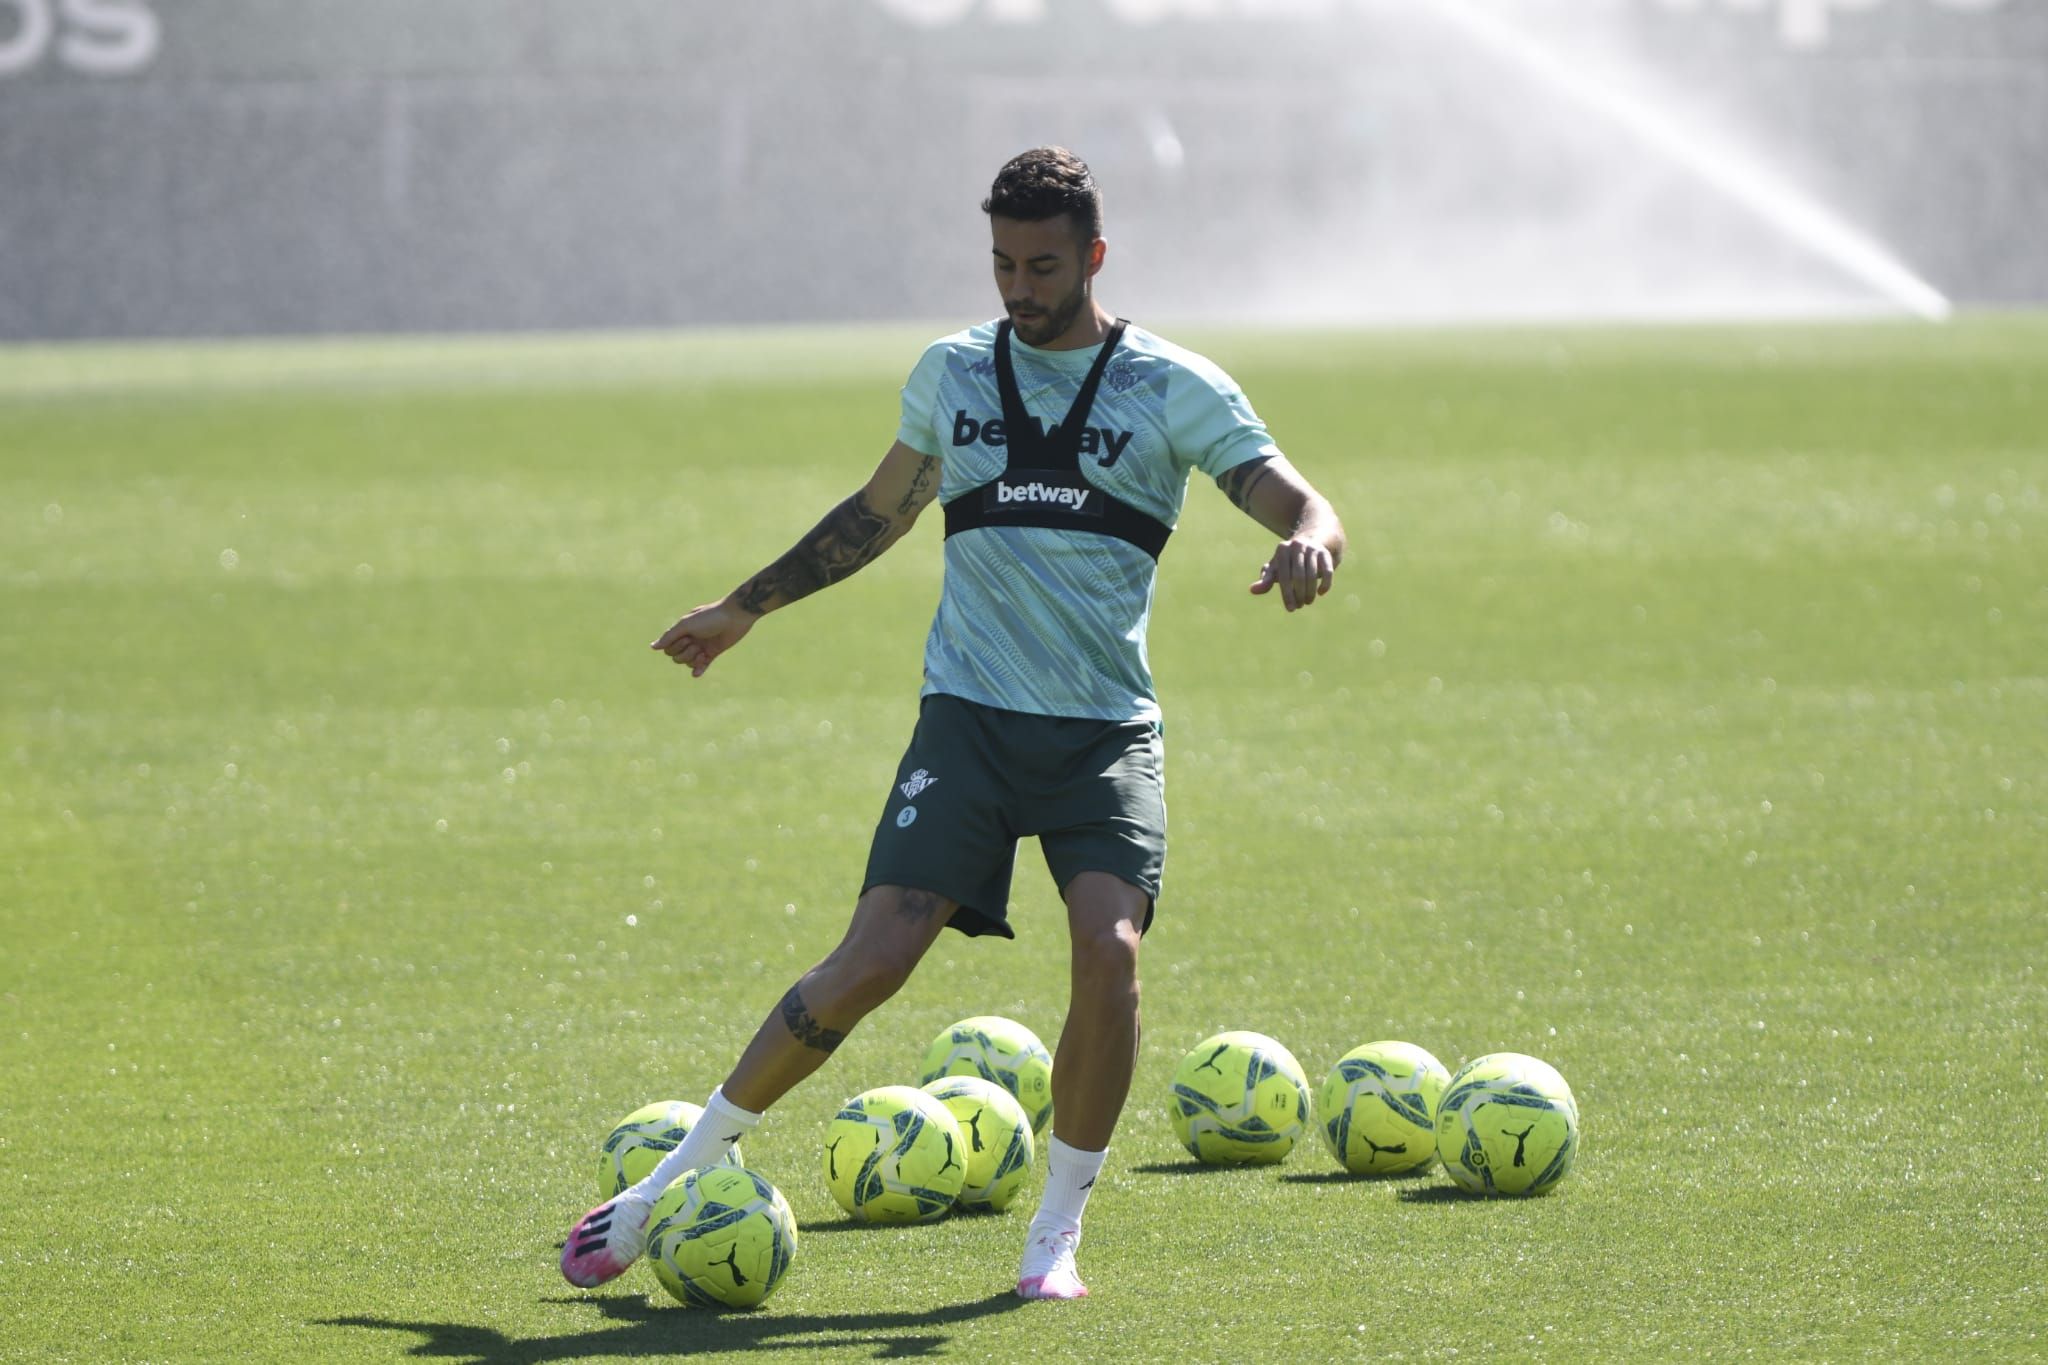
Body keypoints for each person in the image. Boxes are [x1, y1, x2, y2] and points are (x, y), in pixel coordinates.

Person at [561, 145, 1345, 1301]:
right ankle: (665, 1183)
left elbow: (1295, 496)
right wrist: (744, 608)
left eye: (1039, 266)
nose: (1017, 289)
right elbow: (873, 516)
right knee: (873, 959)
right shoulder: (952, 373)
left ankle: (1055, 1234)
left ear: (1092, 256)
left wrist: (1311, 542)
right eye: (999, 265)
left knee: (1108, 956)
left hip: (1101, 736)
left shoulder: (1172, 387)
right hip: (968, 724)